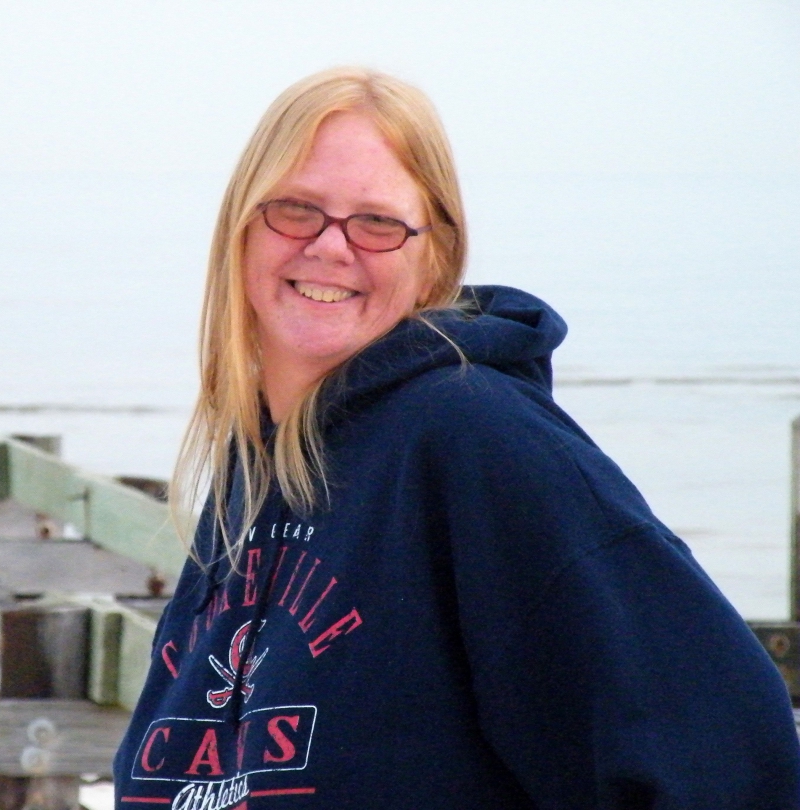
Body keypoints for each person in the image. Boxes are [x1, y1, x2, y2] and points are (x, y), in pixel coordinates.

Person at [113, 67, 800, 809]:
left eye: (377, 222)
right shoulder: (255, 463)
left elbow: (725, 755)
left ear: (435, 254)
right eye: (296, 209)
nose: (331, 246)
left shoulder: (472, 435)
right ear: (241, 229)